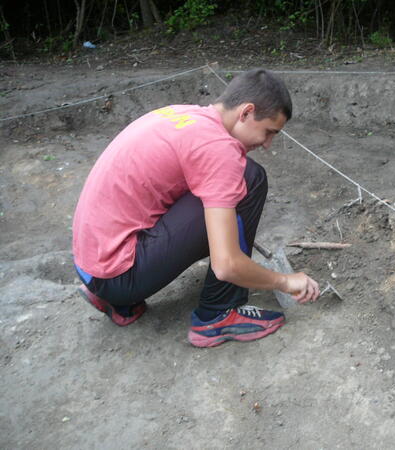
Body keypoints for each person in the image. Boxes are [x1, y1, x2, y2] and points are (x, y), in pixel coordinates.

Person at [72, 68, 320, 348]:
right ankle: (219, 313)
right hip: (117, 276)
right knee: (249, 178)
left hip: (91, 266)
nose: (267, 144)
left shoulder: (183, 114)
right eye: (268, 132)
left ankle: (114, 299)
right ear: (246, 112)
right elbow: (226, 266)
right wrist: (284, 282)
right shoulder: (218, 149)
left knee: (234, 177)